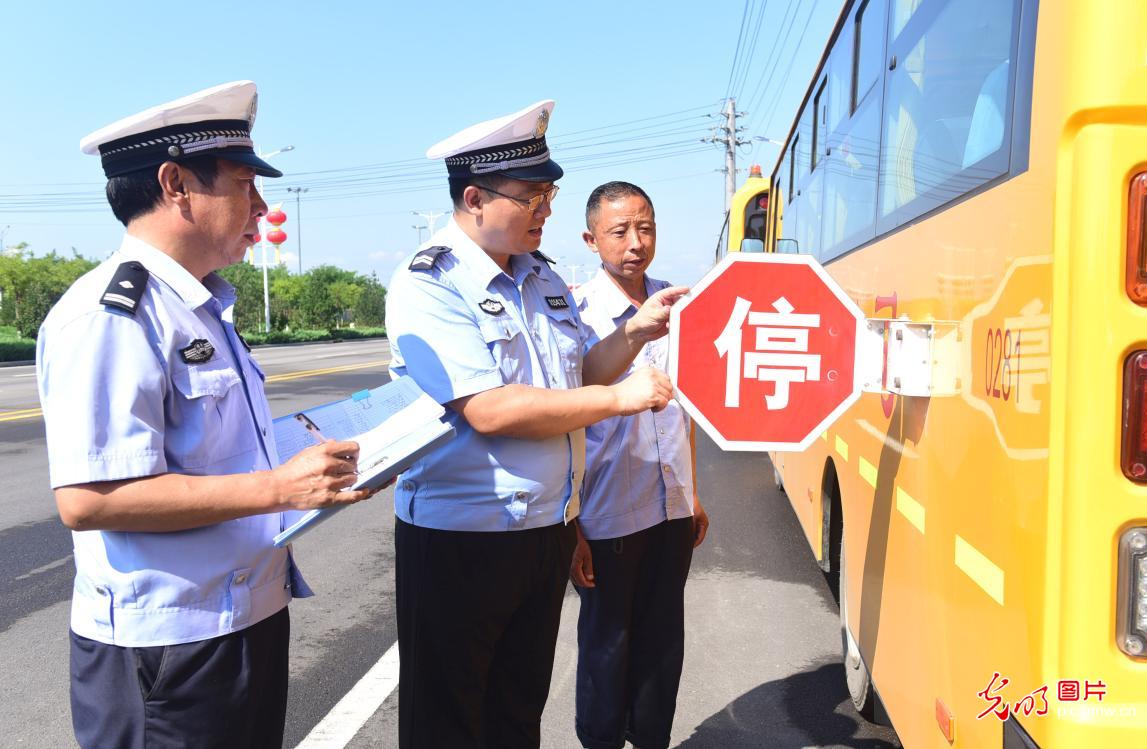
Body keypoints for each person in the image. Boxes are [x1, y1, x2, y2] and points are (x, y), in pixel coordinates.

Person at [37, 81, 375, 749]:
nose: (261, 206)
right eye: (245, 184)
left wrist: (331, 469)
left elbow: (223, 455)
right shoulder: (111, 316)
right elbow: (88, 497)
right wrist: (279, 488)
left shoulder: (202, 307)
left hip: (240, 619)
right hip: (167, 647)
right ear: (175, 184)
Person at [384, 101, 688, 749]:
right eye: (532, 195)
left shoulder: (542, 277)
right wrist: (624, 400)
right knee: (449, 723)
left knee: (517, 713)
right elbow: (488, 409)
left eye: (549, 191)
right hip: (463, 539)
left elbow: (583, 373)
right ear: (474, 198)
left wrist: (634, 332)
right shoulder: (430, 282)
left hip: (542, 533)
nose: (546, 207)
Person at [569, 181, 709, 749]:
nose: (635, 242)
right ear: (591, 238)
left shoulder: (682, 310)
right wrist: (572, 522)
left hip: (670, 508)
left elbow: (688, 413)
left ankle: (651, 738)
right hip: (606, 513)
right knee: (607, 645)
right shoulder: (576, 314)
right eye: (620, 231)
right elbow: (565, 420)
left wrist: (693, 494)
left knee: (661, 644)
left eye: (645, 227)